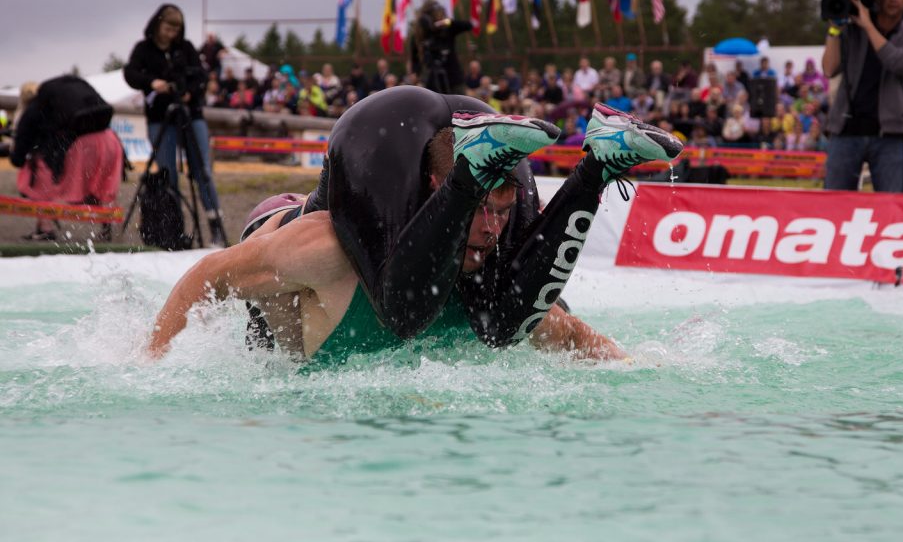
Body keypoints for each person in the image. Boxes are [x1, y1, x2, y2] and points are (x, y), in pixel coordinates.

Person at [146, 86, 683, 363]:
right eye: (482, 212)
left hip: (415, 234)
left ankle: (598, 166)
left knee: (512, 318)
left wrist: (635, 367)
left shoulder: (489, 282)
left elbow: (567, 333)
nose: (493, 230)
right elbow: (206, 277)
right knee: (280, 307)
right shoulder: (323, 249)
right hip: (291, 224)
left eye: (502, 211)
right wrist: (148, 362)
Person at [123, 3, 227, 247]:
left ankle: (216, 227)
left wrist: (189, 90)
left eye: (175, 29)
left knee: (202, 171)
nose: (171, 34)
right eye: (168, 28)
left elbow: (200, 75)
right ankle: (174, 229)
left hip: (190, 114)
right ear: (158, 24)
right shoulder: (143, 49)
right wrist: (152, 83)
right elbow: (130, 74)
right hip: (160, 118)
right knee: (168, 175)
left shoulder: (186, 48)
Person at [821, 0, 903, 192]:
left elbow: (900, 64)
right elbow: (829, 69)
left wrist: (868, 25)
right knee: (833, 206)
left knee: (891, 207)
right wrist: (834, 29)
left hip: (889, 132)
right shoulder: (852, 29)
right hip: (846, 128)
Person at [9, 76, 123, 241]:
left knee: (42, 176)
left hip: (83, 145)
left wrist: (16, 158)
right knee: (102, 183)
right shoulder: (69, 101)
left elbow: (22, 146)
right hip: (110, 140)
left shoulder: (35, 108)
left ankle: (45, 228)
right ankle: (106, 227)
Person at [410, 2, 473, 94]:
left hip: (453, 77)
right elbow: (415, 58)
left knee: (459, 104)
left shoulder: (447, 29)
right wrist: (416, 73)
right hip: (433, 79)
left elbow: (468, 25)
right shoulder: (421, 35)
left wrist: (448, 23)